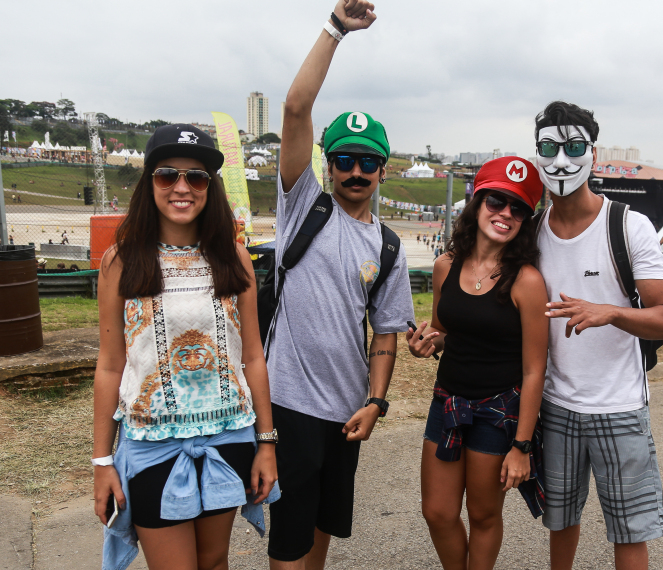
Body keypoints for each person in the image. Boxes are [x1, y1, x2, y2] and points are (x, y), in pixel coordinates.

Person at [92, 124, 279, 570]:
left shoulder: (233, 258)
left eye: (196, 177)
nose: (182, 187)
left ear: (209, 187)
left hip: (228, 436)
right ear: (149, 182)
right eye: (167, 175)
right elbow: (110, 364)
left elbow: (253, 355)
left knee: (214, 563)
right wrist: (102, 460)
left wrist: (266, 443)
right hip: (152, 443)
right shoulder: (122, 261)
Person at [268, 2, 414, 567]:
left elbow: (384, 334)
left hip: (347, 409)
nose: (356, 172)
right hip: (289, 403)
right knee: (290, 537)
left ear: (383, 171)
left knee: (325, 526)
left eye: (368, 163)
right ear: (328, 163)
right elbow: (296, 106)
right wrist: (335, 30)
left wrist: (376, 401)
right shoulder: (303, 205)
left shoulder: (389, 247)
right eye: (345, 159)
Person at [532, 101, 663, 570]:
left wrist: (610, 313)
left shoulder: (628, 226)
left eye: (574, 147)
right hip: (556, 405)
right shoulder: (532, 231)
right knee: (560, 522)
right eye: (549, 148)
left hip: (618, 406)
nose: (561, 160)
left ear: (592, 154)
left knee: (629, 530)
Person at [408, 156, 548, 570]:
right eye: (497, 201)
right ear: (477, 201)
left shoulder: (526, 281)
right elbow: (442, 332)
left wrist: (521, 447)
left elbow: (534, 369)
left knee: (484, 515)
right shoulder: (445, 265)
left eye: (518, 207)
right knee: (437, 511)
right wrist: (427, 345)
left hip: (497, 412)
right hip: (448, 404)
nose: (505, 213)